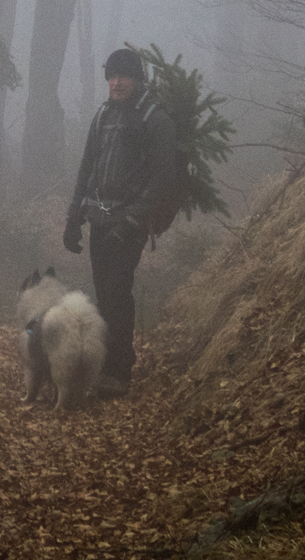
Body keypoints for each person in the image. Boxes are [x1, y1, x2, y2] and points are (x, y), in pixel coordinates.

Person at [61, 47, 187, 399]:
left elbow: (162, 178)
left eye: (124, 76)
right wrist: (74, 218)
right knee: (105, 294)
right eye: (112, 76)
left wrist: (133, 220)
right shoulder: (103, 116)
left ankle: (118, 369)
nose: (116, 82)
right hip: (100, 220)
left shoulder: (155, 120)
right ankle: (107, 363)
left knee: (117, 293)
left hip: (129, 224)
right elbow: (87, 168)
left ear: (136, 78)